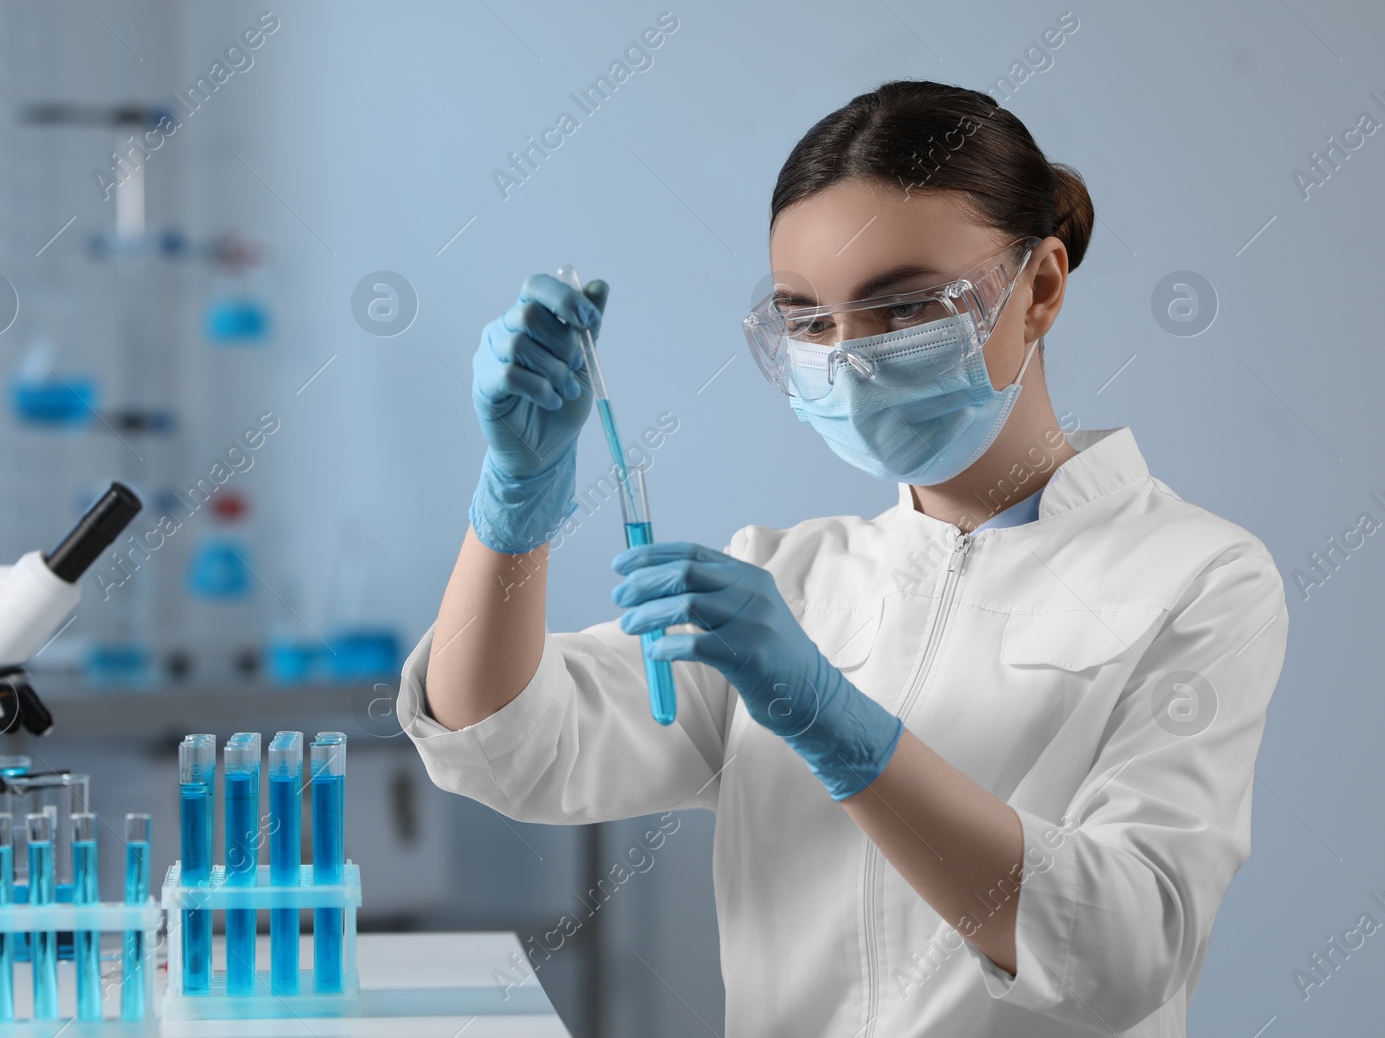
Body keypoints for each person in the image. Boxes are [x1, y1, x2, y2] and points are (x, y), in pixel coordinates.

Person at [394, 79, 1289, 1037]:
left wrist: (831, 719)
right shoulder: (788, 583)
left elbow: (1125, 952)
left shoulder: (1197, 578)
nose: (850, 357)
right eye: (809, 320)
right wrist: (515, 504)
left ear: (1041, 288)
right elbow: (504, 743)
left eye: (904, 309)